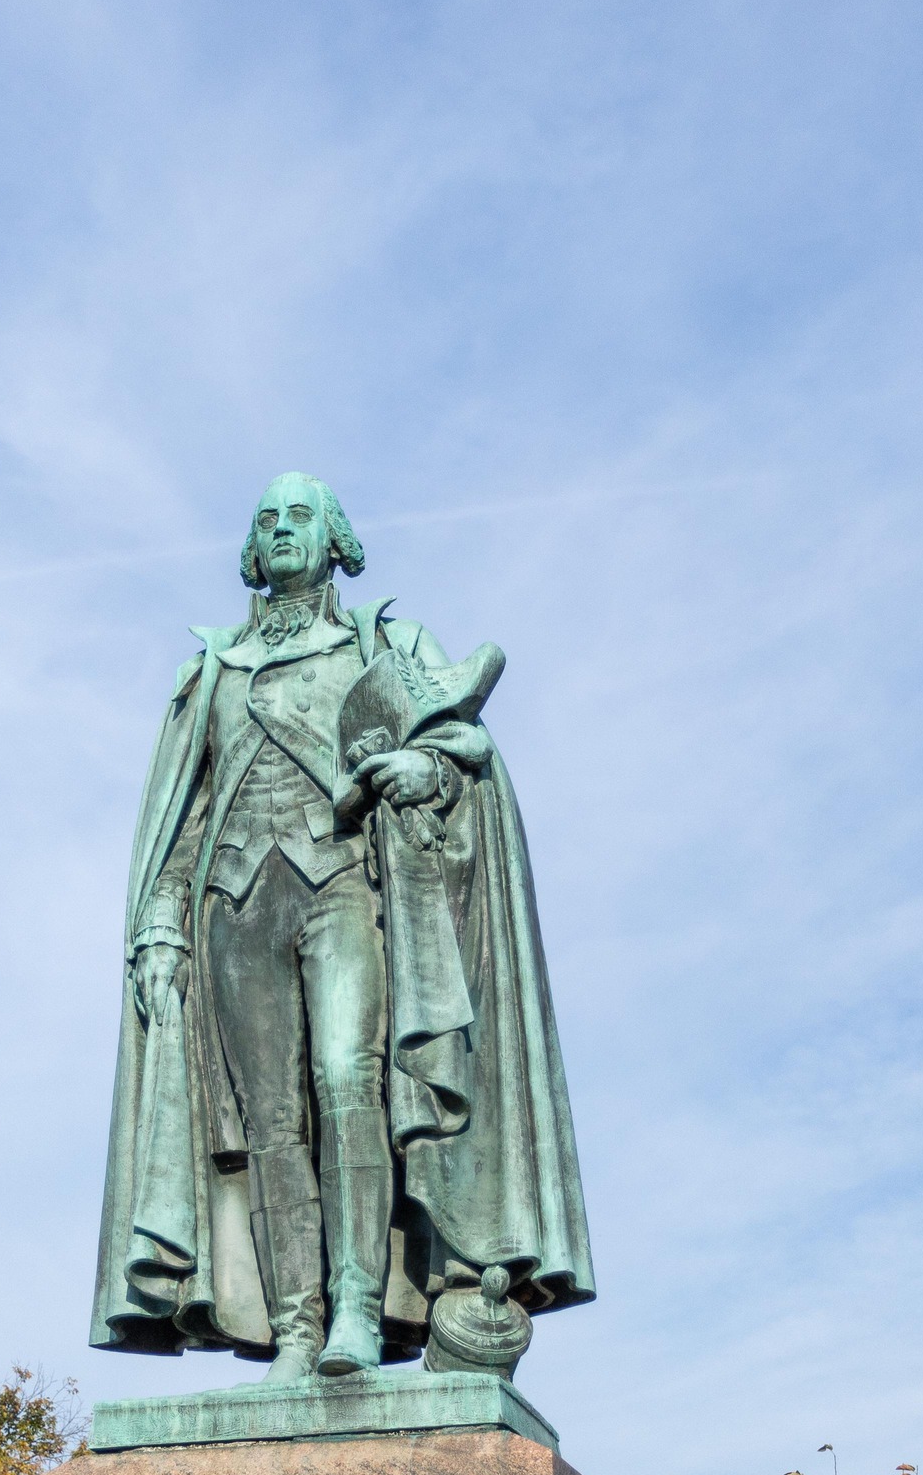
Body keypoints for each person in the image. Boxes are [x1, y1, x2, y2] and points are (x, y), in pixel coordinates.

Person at [88, 473, 593, 1381]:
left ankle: (357, 1309)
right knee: (272, 1121)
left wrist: (418, 769)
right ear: (252, 549)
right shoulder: (214, 671)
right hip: (232, 905)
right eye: (266, 519)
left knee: (346, 1082)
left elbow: (457, 749)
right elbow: (186, 817)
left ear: (335, 540)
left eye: (300, 517)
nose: (282, 530)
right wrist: (160, 922)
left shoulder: (382, 645)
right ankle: (293, 1329)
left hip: (341, 885)